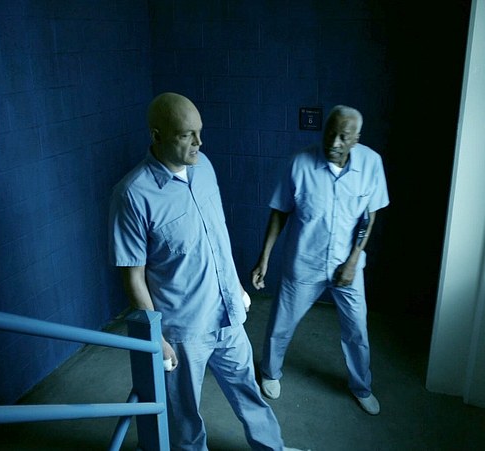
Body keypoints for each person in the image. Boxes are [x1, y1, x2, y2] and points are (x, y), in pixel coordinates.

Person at [109, 92, 304, 451]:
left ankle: (272, 448)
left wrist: (236, 286)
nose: (199, 142)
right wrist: (157, 338)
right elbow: (133, 276)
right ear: (156, 135)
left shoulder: (205, 167)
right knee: (184, 416)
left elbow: (216, 237)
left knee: (248, 389)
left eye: (200, 132)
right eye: (187, 135)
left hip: (226, 313)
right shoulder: (132, 195)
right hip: (183, 329)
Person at [250, 105, 389, 416]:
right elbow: (280, 212)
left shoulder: (371, 164)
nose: (334, 142)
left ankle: (361, 387)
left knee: (357, 329)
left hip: (347, 266)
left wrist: (353, 260)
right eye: (330, 133)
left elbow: (369, 216)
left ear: (356, 139)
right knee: (281, 324)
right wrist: (264, 258)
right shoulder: (299, 164)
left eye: (343, 137)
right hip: (304, 263)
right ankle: (270, 372)